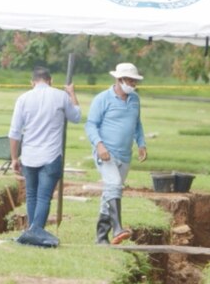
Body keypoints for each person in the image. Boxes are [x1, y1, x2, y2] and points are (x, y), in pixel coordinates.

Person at [8, 66, 81, 247]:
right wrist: (72, 94)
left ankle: (33, 233)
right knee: (43, 197)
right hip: (51, 155)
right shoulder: (60, 96)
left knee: (32, 196)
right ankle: (35, 233)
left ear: (32, 82)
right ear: (51, 80)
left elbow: (14, 132)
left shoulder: (23, 99)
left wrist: (14, 158)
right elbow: (76, 116)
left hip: (29, 156)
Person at [85, 62, 147, 245]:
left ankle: (101, 238)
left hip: (125, 155)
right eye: (130, 80)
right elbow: (90, 125)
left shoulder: (135, 99)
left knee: (110, 193)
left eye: (135, 81)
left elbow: (137, 123)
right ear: (119, 79)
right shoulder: (102, 99)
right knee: (114, 185)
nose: (133, 84)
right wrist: (99, 146)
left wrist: (141, 144)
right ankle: (118, 228)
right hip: (106, 153)